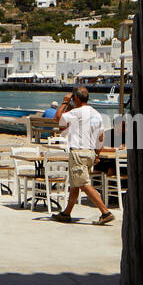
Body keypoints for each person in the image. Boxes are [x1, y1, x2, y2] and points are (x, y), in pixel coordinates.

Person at [50, 87, 113, 225]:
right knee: (75, 184)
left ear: (76, 98)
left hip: (78, 152)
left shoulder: (76, 112)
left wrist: (65, 102)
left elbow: (57, 118)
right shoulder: (96, 114)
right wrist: (97, 154)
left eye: (73, 98)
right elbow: (101, 136)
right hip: (90, 152)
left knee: (83, 184)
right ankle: (66, 213)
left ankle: (105, 212)